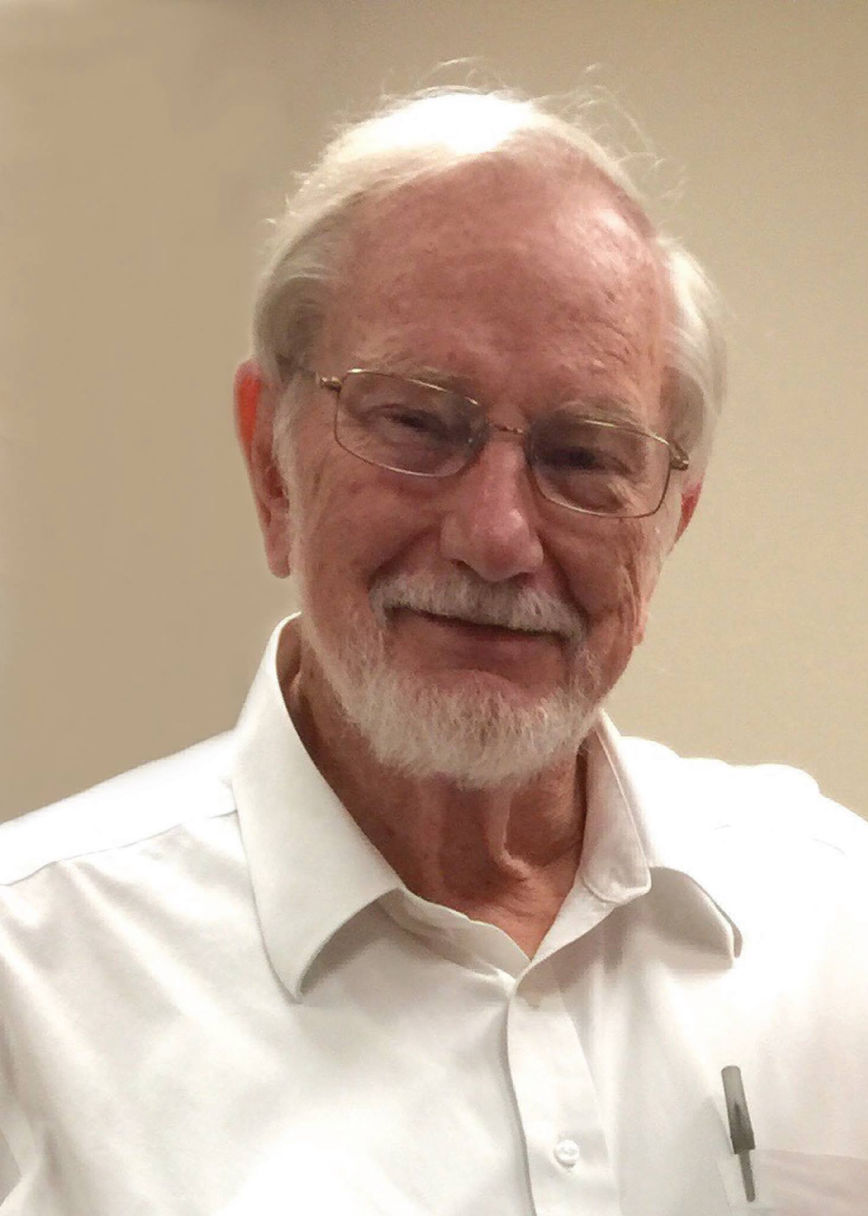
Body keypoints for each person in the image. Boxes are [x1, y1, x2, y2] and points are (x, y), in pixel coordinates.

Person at [1, 88, 866, 1216]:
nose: (497, 537)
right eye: (415, 422)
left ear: (668, 526)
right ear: (272, 467)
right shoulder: (34, 984)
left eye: (585, 454)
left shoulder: (830, 920)